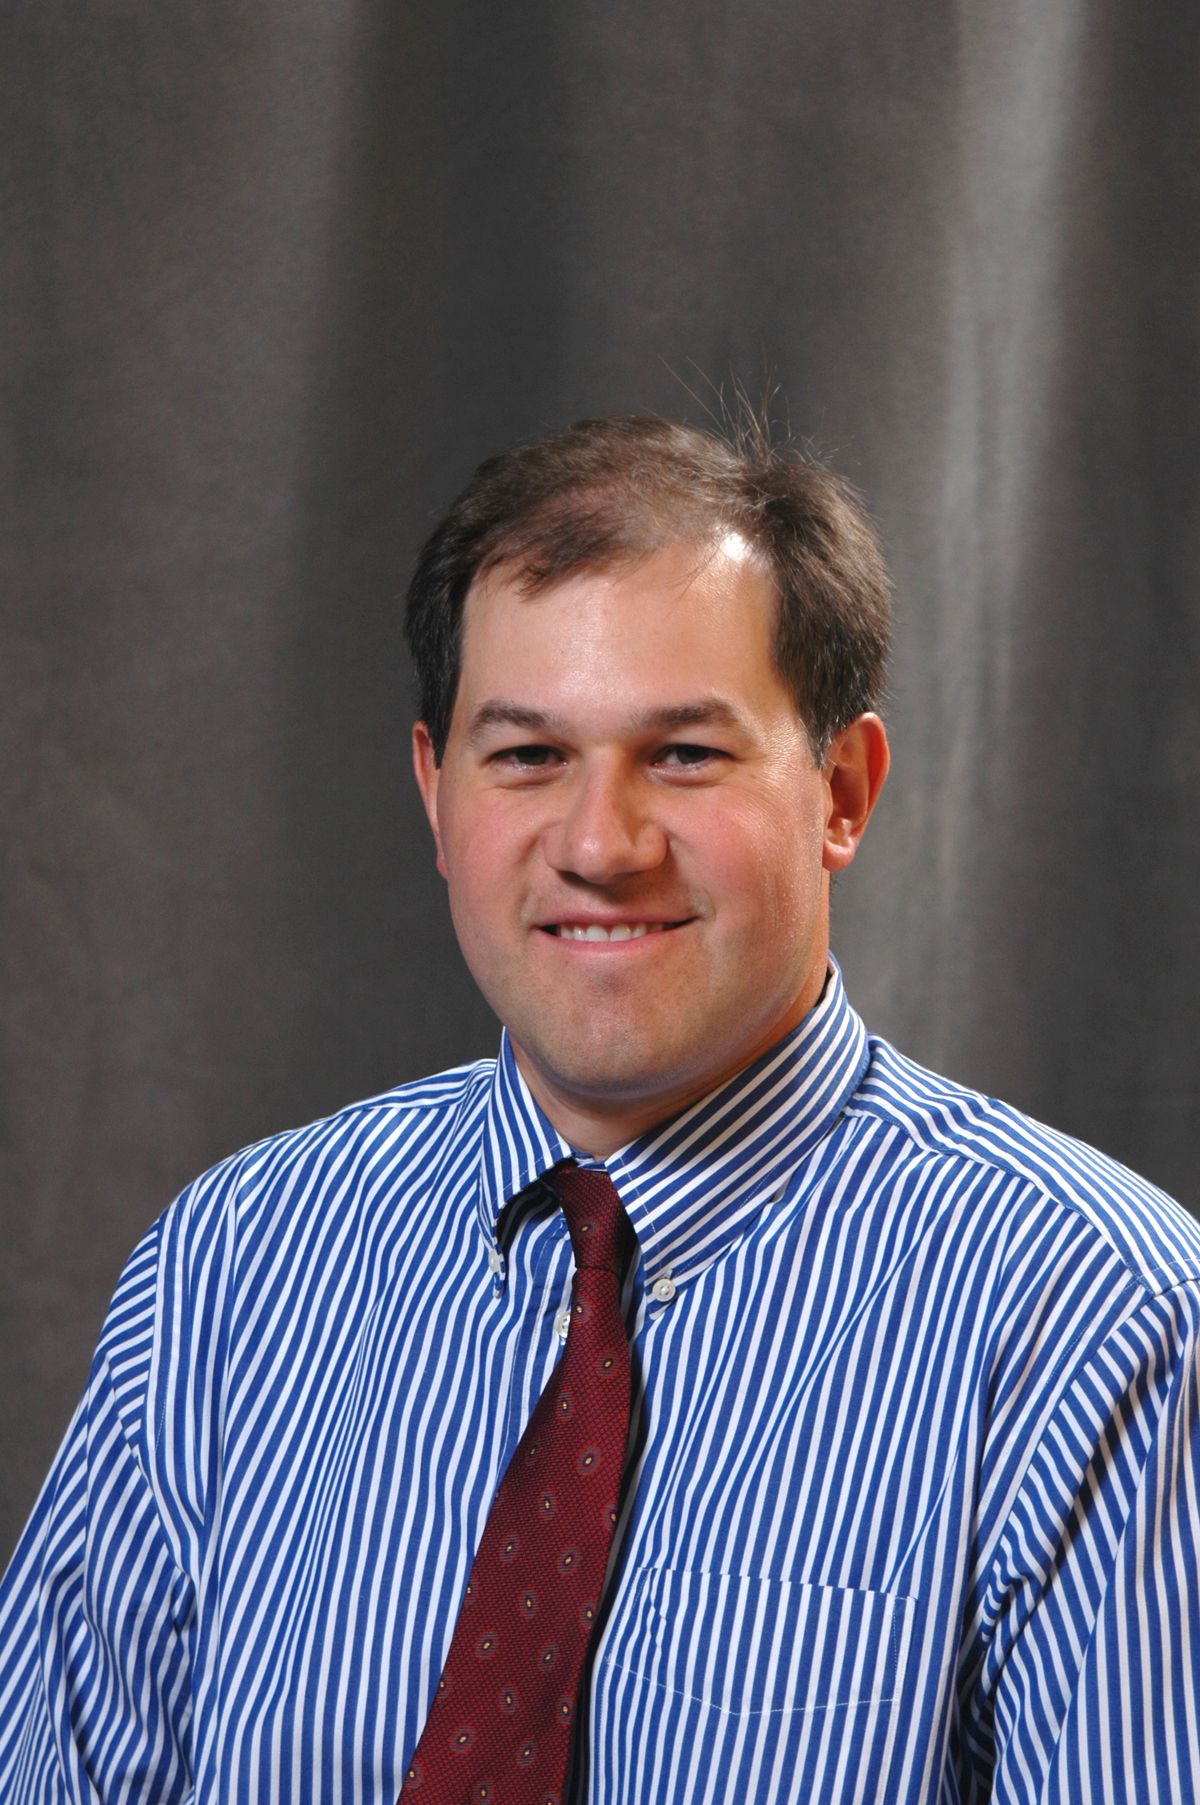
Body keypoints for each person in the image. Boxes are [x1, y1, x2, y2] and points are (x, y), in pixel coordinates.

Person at [1, 416, 1197, 1805]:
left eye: (683, 753)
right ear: (435, 794)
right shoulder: (231, 1267)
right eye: (527, 757)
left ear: (842, 792)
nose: (598, 844)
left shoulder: (1100, 1320)